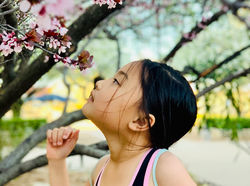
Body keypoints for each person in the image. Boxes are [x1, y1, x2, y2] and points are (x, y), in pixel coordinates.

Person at [46, 59, 198, 186]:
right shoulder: (101, 167)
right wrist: (57, 161)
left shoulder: (162, 166)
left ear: (141, 121)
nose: (99, 83)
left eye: (116, 82)